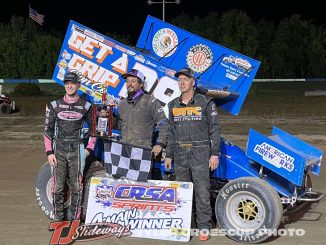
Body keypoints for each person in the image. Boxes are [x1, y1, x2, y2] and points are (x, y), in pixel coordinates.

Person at [164, 67, 221, 241]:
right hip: (180, 152)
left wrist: (214, 154)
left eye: (185, 79)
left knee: (202, 191)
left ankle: (204, 226)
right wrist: (169, 154)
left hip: (200, 151)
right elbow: (171, 132)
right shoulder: (173, 104)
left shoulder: (206, 102)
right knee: (182, 191)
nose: (181, 82)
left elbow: (215, 130)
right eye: (179, 79)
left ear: (193, 82)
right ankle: (183, 226)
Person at [44, 72, 96, 221]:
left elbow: (94, 130)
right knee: (58, 186)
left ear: (78, 85)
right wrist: (49, 152)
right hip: (59, 149)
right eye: (67, 83)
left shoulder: (87, 106)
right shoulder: (54, 105)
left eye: (72, 83)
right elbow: (47, 131)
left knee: (76, 186)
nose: (69, 86)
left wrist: (88, 149)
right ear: (64, 85)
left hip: (77, 149)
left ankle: (75, 219)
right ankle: (58, 217)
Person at [117, 68, 168, 163]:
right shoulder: (123, 103)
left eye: (133, 81)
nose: (129, 84)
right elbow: (118, 125)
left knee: (140, 178)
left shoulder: (150, 101)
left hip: (142, 152)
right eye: (127, 81)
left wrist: (160, 144)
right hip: (124, 151)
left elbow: (164, 123)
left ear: (141, 84)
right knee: (123, 178)